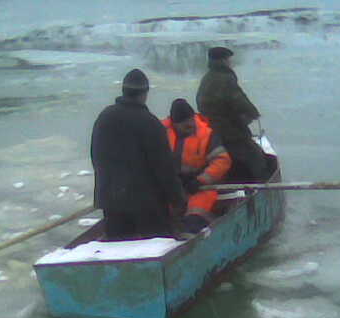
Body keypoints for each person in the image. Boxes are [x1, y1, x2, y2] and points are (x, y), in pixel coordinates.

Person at [90, 68, 187, 241]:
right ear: (144, 94)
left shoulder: (104, 117)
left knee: (118, 247)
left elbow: (96, 157)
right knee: (155, 245)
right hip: (146, 206)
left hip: (111, 202)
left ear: (123, 91)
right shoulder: (150, 123)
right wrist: (178, 199)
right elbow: (164, 168)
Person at [196, 46, 276, 182]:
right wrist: (252, 112)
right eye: (228, 59)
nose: (230, 62)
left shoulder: (207, 78)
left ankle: (228, 180)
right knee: (254, 155)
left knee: (225, 156)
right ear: (223, 61)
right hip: (230, 128)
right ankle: (262, 184)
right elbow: (237, 99)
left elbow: (200, 102)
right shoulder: (226, 78)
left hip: (211, 128)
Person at [162, 98, 232, 233]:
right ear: (174, 124)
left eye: (190, 120)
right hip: (172, 187)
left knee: (194, 220)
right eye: (184, 123)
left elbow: (222, 161)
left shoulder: (207, 135)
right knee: (156, 216)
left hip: (201, 188)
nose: (190, 124)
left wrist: (201, 180)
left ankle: (195, 232)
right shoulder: (161, 132)